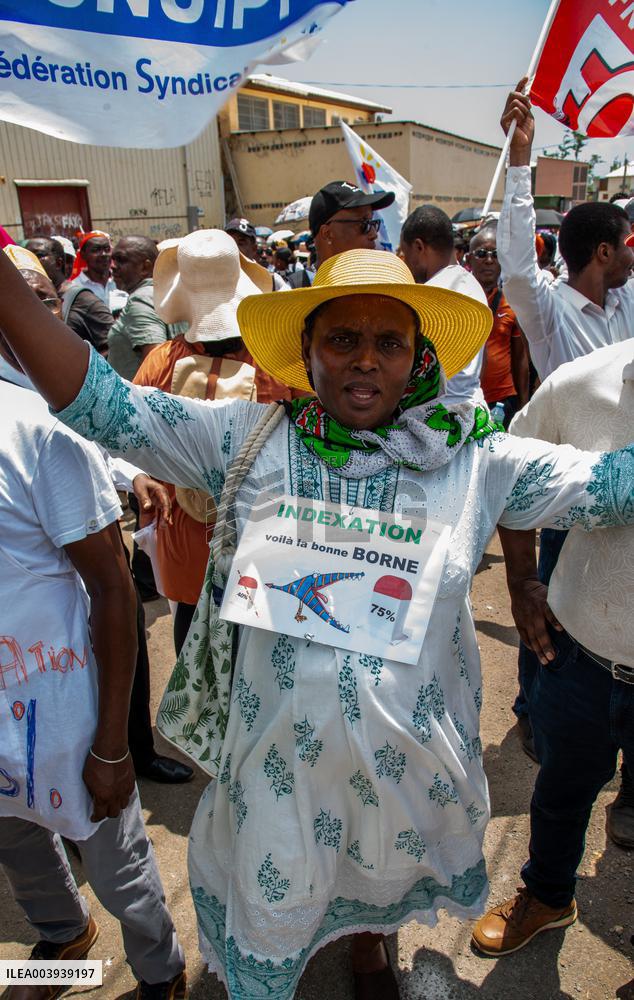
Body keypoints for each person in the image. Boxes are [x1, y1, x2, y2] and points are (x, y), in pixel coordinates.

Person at [3, 246, 634, 1000]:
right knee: (276, 915)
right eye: (342, 339)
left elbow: (610, 487)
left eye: (389, 341)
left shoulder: (477, 462)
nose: (365, 359)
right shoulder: (245, 440)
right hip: (279, 778)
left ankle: (371, 952)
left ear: (418, 356)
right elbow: (98, 401)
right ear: (307, 351)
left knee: (379, 885)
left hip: (405, 776)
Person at [0, 252, 186, 999]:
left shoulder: (39, 430)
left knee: (118, 869)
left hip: (65, 719)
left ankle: (161, 973)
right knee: (20, 850)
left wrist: (112, 746)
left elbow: (113, 590)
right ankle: (65, 944)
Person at [496, 80, 634, 831]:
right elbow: (518, 265)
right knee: (546, 615)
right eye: (626, 245)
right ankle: (538, 715)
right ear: (602, 252)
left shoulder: (628, 303)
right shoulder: (549, 312)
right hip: (565, 502)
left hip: (629, 510)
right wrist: (521, 160)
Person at [472, 335, 634, 956]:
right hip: (582, 659)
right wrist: (520, 583)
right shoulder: (582, 383)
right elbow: (507, 470)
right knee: (560, 793)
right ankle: (546, 896)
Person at [134, 229, 295, 655]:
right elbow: (132, 439)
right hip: (195, 535)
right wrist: (137, 475)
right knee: (198, 630)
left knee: (249, 637)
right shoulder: (161, 362)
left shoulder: (279, 362)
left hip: (259, 532)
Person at [399, 204, 488, 405]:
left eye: (405, 254)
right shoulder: (473, 286)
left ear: (419, 247)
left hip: (437, 412)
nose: (406, 263)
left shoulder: (433, 295)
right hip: (472, 406)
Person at [466, 224, 529, 427]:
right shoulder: (459, 300)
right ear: (468, 259)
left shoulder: (512, 302)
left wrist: (524, 404)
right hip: (467, 399)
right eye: (481, 254)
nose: (489, 260)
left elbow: (520, 358)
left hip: (503, 401)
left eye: (495, 254)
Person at [287, 179, 395, 288]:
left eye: (372, 222)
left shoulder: (381, 286)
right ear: (327, 233)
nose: (374, 234)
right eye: (364, 223)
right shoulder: (292, 291)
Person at [25, 236, 113, 354]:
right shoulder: (31, 301)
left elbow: (114, 346)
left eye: (38, 256)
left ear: (58, 263)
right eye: (26, 256)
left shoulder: (85, 301)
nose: (29, 261)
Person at [108, 237, 170, 380]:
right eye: (113, 259)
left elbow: (156, 366)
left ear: (145, 267)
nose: (113, 266)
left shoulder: (141, 299)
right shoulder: (164, 294)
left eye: (121, 260)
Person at [71, 231, 127, 314]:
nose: (104, 254)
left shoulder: (123, 281)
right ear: (83, 255)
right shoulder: (75, 287)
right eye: (96, 250)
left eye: (107, 249)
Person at [226, 218, 288, 290]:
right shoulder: (217, 278)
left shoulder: (272, 281)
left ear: (254, 248)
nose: (234, 247)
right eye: (230, 242)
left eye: (241, 243)